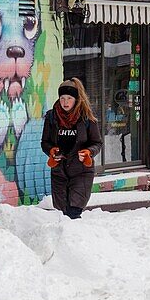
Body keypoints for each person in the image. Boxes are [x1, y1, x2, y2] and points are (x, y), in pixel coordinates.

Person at [41, 78, 103, 218]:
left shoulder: (86, 118)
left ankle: (78, 239)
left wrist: (88, 152)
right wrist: (51, 151)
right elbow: (45, 142)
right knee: (62, 213)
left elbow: (97, 143)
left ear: (76, 99)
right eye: (62, 98)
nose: (65, 102)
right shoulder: (52, 117)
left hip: (81, 171)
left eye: (69, 98)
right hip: (59, 173)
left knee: (74, 211)